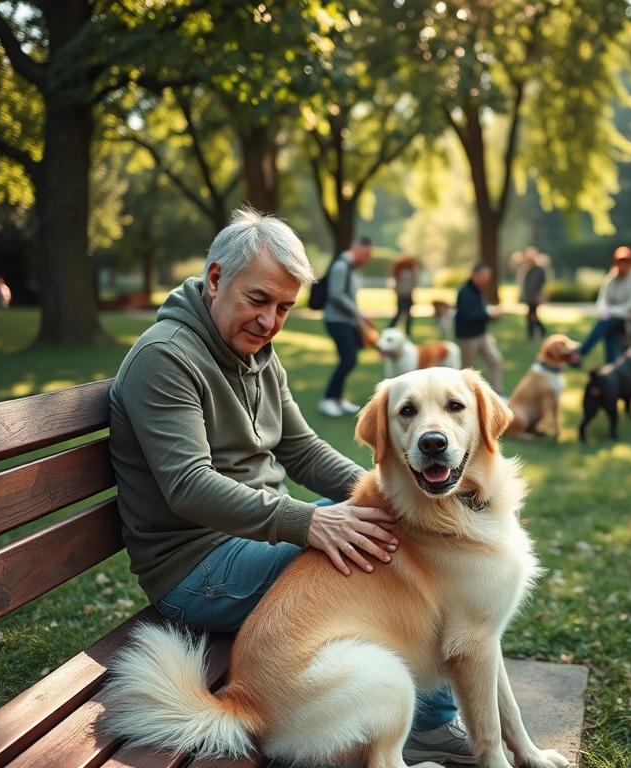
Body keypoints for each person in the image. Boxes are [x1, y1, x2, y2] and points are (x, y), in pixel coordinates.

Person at [109, 209, 472, 763]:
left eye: (284, 307)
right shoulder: (166, 360)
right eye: (258, 299)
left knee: (394, 525)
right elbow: (188, 486)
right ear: (214, 279)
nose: (269, 321)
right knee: (388, 553)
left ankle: (419, 717)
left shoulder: (254, 351)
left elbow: (300, 449)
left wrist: (394, 496)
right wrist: (307, 521)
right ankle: (425, 723)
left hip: (254, 542)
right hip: (196, 567)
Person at [319, 235, 376, 418]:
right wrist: (358, 314)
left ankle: (338, 399)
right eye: (365, 254)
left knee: (347, 359)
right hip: (336, 321)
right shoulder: (341, 266)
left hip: (346, 321)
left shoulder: (352, 269)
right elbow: (336, 295)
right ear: (356, 248)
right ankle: (328, 399)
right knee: (348, 359)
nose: (367, 259)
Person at [576, 246, 631, 364]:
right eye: (619, 262)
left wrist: (611, 312)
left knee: (606, 323)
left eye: (625, 262)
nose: (622, 266)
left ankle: (581, 353)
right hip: (611, 320)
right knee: (607, 326)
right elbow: (603, 299)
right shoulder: (612, 278)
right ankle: (611, 363)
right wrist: (604, 311)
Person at [455, 263, 504, 395]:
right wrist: (488, 314)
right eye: (484, 276)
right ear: (475, 275)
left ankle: (496, 393)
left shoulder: (478, 290)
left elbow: (479, 311)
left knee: (495, 361)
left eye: (488, 277)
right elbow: (466, 316)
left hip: (482, 335)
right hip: (468, 337)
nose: (487, 280)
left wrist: (490, 313)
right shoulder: (464, 292)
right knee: (468, 370)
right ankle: (465, 396)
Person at [518, 246, 548, 341]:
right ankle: (540, 333)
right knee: (532, 316)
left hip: (534, 297)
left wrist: (539, 295)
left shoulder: (539, 270)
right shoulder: (527, 269)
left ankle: (535, 335)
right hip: (529, 296)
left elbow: (541, 283)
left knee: (531, 316)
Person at [388, 254, 419, 337]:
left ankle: (406, 331)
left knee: (407, 314)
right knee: (401, 313)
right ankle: (391, 328)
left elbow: (415, 281)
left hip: (406, 294)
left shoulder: (410, 269)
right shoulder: (400, 270)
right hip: (402, 294)